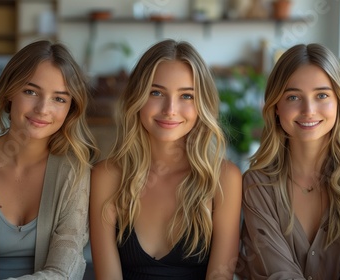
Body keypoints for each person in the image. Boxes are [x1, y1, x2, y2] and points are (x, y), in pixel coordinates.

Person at [235, 43, 340, 279]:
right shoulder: (258, 185)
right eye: (293, 97)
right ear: (276, 107)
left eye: (321, 95)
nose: (308, 110)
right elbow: (279, 274)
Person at [0, 40, 98, 279]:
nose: (43, 109)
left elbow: (63, 273)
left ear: (71, 109)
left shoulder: (74, 171)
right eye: (31, 91)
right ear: (9, 92)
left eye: (59, 98)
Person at [89, 39, 242, 279]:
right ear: (136, 98)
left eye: (186, 96)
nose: (170, 109)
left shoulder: (224, 179)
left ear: (202, 104)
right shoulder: (107, 176)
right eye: (156, 92)